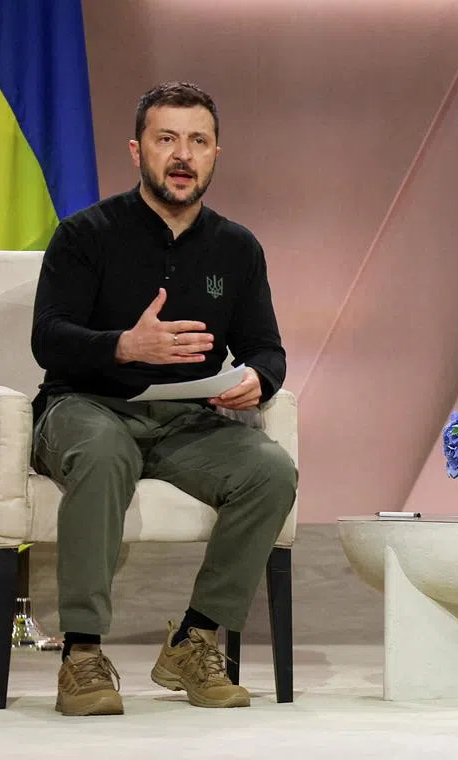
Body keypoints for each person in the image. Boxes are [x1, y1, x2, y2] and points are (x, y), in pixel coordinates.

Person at [31, 82, 297, 716]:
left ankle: (195, 640)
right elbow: (49, 337)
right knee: (101, 454)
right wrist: (124, 346)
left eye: (198, 141)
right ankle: (83, 655)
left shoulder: (237, 248)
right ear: (137, 150)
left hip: (186, 423)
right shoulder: (84, 235)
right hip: (88, 407)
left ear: (214, 154)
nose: (183, 155)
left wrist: (258, 379)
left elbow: (268, 350)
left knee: (270, 470)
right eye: (167, 139)